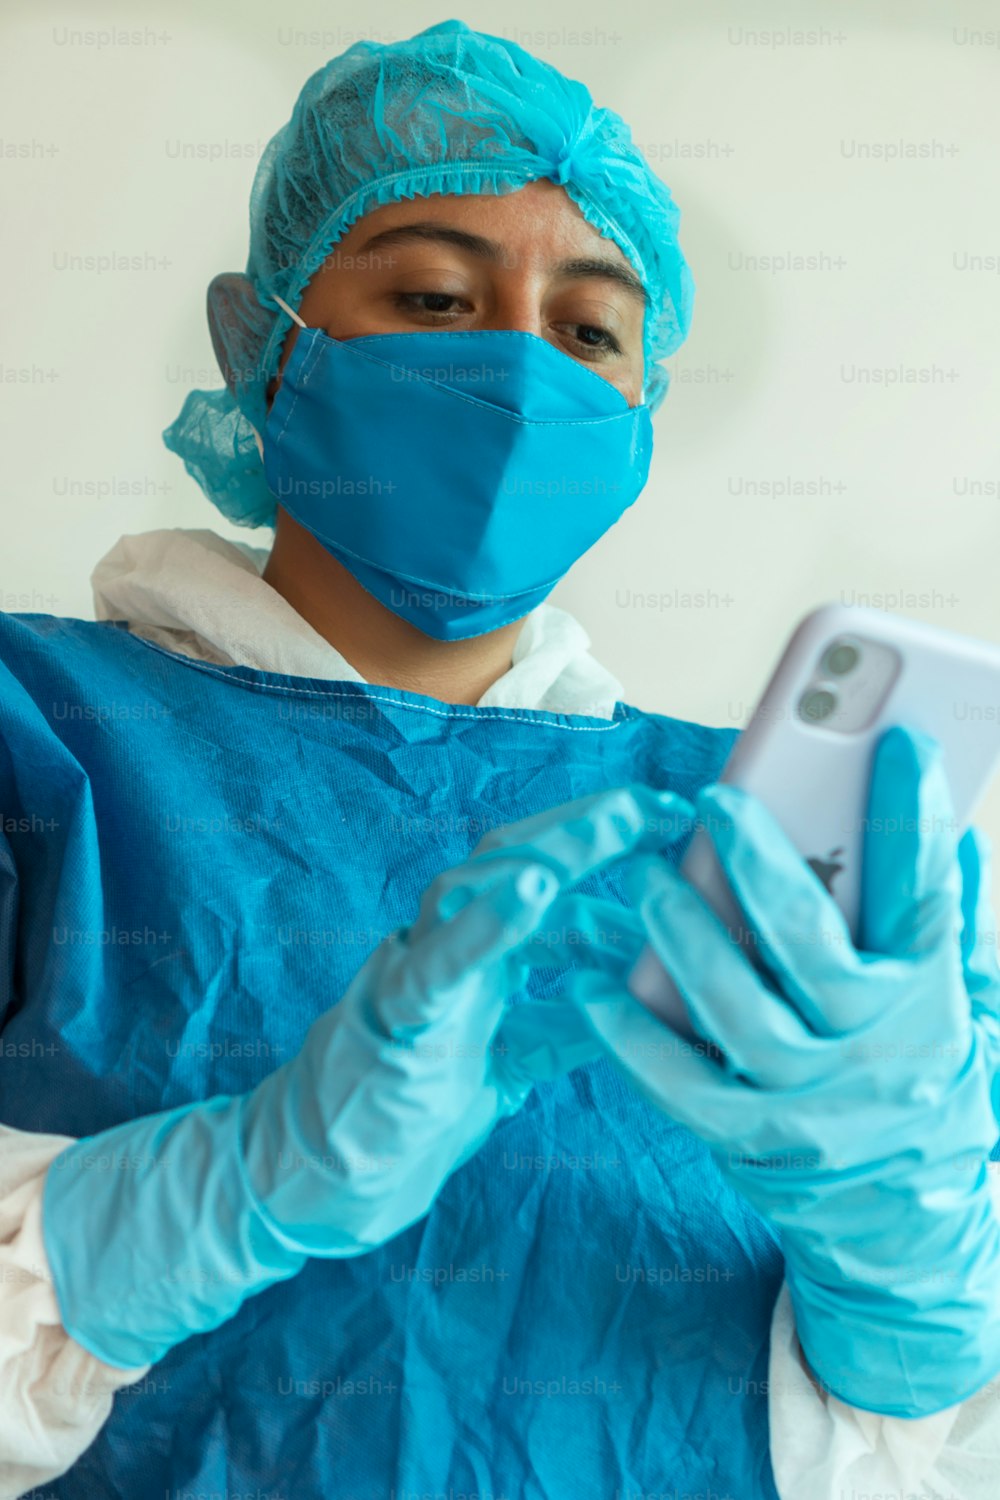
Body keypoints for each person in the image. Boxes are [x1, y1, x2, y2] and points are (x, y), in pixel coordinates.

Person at [1, 19, 999, 1500]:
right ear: (262, 343)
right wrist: (233, 1187)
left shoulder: (752, 847)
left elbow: (914, 1457)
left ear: (643, 416)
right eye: (432, 295)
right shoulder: (45, 738)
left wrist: (912, 1259)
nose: (523, 374)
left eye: (591, 331)